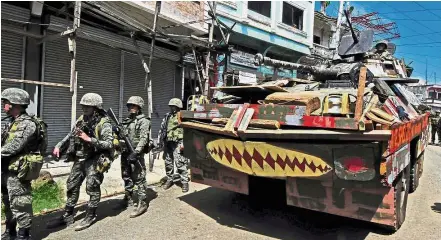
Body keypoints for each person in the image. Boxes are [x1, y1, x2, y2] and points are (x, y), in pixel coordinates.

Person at [49, 93, 114, 231]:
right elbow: (71, 134)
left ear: (96, 107)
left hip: (95, 158)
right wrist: (59, 145)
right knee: (72, 185)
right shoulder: (82, 119)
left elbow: (109, 144)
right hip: (80, 157)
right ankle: (67, 215)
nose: (84, 108)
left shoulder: (104, 123)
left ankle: (90, 215)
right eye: (83, 105)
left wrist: (89, 139)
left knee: (92, 186)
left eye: (87, 106)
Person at [1, 88, 47, 240]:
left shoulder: (27, 124)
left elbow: (14, 146)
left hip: (18, 170)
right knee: (8, 201)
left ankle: (23, 235)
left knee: (20, 203)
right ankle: (10, 231)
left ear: (15, 104)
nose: (3, 105)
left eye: (5, 102)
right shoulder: (10, 122)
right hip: (6, 168)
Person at [116, 96, 151, 217]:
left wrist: (136, 152)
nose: (131, 108)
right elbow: (122, 136)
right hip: (125, 153)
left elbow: (143, 138)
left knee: (139, 178)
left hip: (136, 153)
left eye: (134, 105)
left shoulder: (144, 121)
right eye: (129, 105)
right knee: (126, 176)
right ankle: (128, 198)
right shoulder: (127, 120)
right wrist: (117, 131)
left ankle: (142, 203)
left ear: (139, 107)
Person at [158, 98, 190, 193]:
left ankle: (184, 181)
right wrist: (160, 140)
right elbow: (163, 128)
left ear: (178, 107)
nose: (172, 108)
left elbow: (187, 130)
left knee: (180, 162)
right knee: (168, 162)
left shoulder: (183, 116)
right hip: (168, 142)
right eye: (171, 106)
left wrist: (184, 143)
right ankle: (169, 179)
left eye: (174, 106)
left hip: (178, 142)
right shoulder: (167, 116)